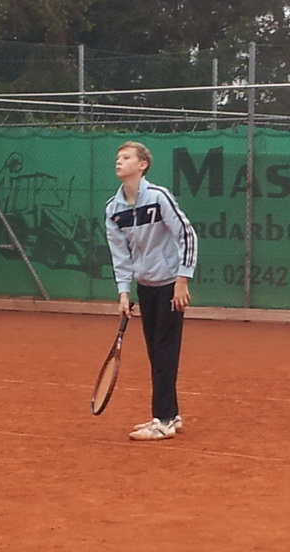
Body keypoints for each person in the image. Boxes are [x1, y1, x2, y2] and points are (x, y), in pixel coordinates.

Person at [105, 141, 198, 441]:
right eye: (118, 157)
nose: (119, 161)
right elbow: (120, 254)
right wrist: (124, 292)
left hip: (170, 285)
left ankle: (164, 420)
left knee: (164, 351)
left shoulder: (159, 197)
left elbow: (186, 234)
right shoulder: (113, 209)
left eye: (126, 157)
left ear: (142, 165)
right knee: (156, 354)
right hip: (145, 287)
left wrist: (182, 279)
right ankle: (171, 414)